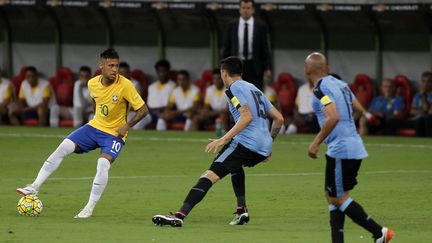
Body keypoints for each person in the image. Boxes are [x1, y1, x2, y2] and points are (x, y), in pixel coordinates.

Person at [152, 56, 284, 227]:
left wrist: (223, 139)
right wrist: (268, 142)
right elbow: (279, 118)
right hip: (262, 147)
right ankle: (241, 210)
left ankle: (179, 215)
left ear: (224, 72)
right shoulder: (255, 89)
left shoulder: (232, 89)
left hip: (245, 142)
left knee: (209, 175)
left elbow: (246, 117)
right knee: (235, 166)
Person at [16, 49, 149, 218]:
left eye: (117, 65)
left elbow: (143, 110)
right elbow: (96, 101)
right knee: (63, 146)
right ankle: (34, 186)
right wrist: (95, 119)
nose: (115, 69)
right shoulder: (92, 83)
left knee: (102, 165)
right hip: (94, 127)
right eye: (111, 66)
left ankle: (88, 209)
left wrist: (127, 125)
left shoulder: (126, 85)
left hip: (114, 134)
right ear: (101, 66)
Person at [306, 52, 393, 243]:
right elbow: (357, 106)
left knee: (337, 198)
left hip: (341, 149)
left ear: (307, 70)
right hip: (353, 146)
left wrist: (315, 142)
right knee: (332, 196)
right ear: (326, 68)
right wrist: (365, 117)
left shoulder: (320, 89)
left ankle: (380, 232)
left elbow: (333, 117)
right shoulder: (341, 84)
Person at [221, 0, 272, 91]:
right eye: (243, 8)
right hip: (236, 65)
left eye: (248, 8)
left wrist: (267, 67)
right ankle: (239, 106)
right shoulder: (232, 25)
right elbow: (226, 47)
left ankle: (253, 106)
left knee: (254, 93)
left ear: (253, 10)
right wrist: (223, 66)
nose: (245, 10)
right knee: (236, 93)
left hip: (255, 66)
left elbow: (264, 48)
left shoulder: (260, 25)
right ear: (240, 9)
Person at [146, 60, 177, 129]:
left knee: (161, 121)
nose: (162, 74)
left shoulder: (174, 86)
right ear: (157, 72)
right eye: (160, 71)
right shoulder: (151, 87)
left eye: (164, 71)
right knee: (138, 122)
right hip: (151, 112)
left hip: (164, 112)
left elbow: (173, 104)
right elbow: (149, 103)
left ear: (168, 72)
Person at [118, 61, 148, 130]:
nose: (124, 75)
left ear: (129, 73)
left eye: (126, 73)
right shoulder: (115, 84)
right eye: (121, 73)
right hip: (120, 113)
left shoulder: (135, 84)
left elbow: (135, 106)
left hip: (134, 112)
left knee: (129, 123)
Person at [409, 71, 432, 137]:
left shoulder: (422, 94)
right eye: (423, 81)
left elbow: (428, 110)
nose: (426, 84)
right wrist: (423, 111)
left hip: (427, 120)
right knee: (391, 122)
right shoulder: (417, 95)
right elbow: (411, 111)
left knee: (425, 119)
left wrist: (423, 95)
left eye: (429, 81)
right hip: (417, 119)